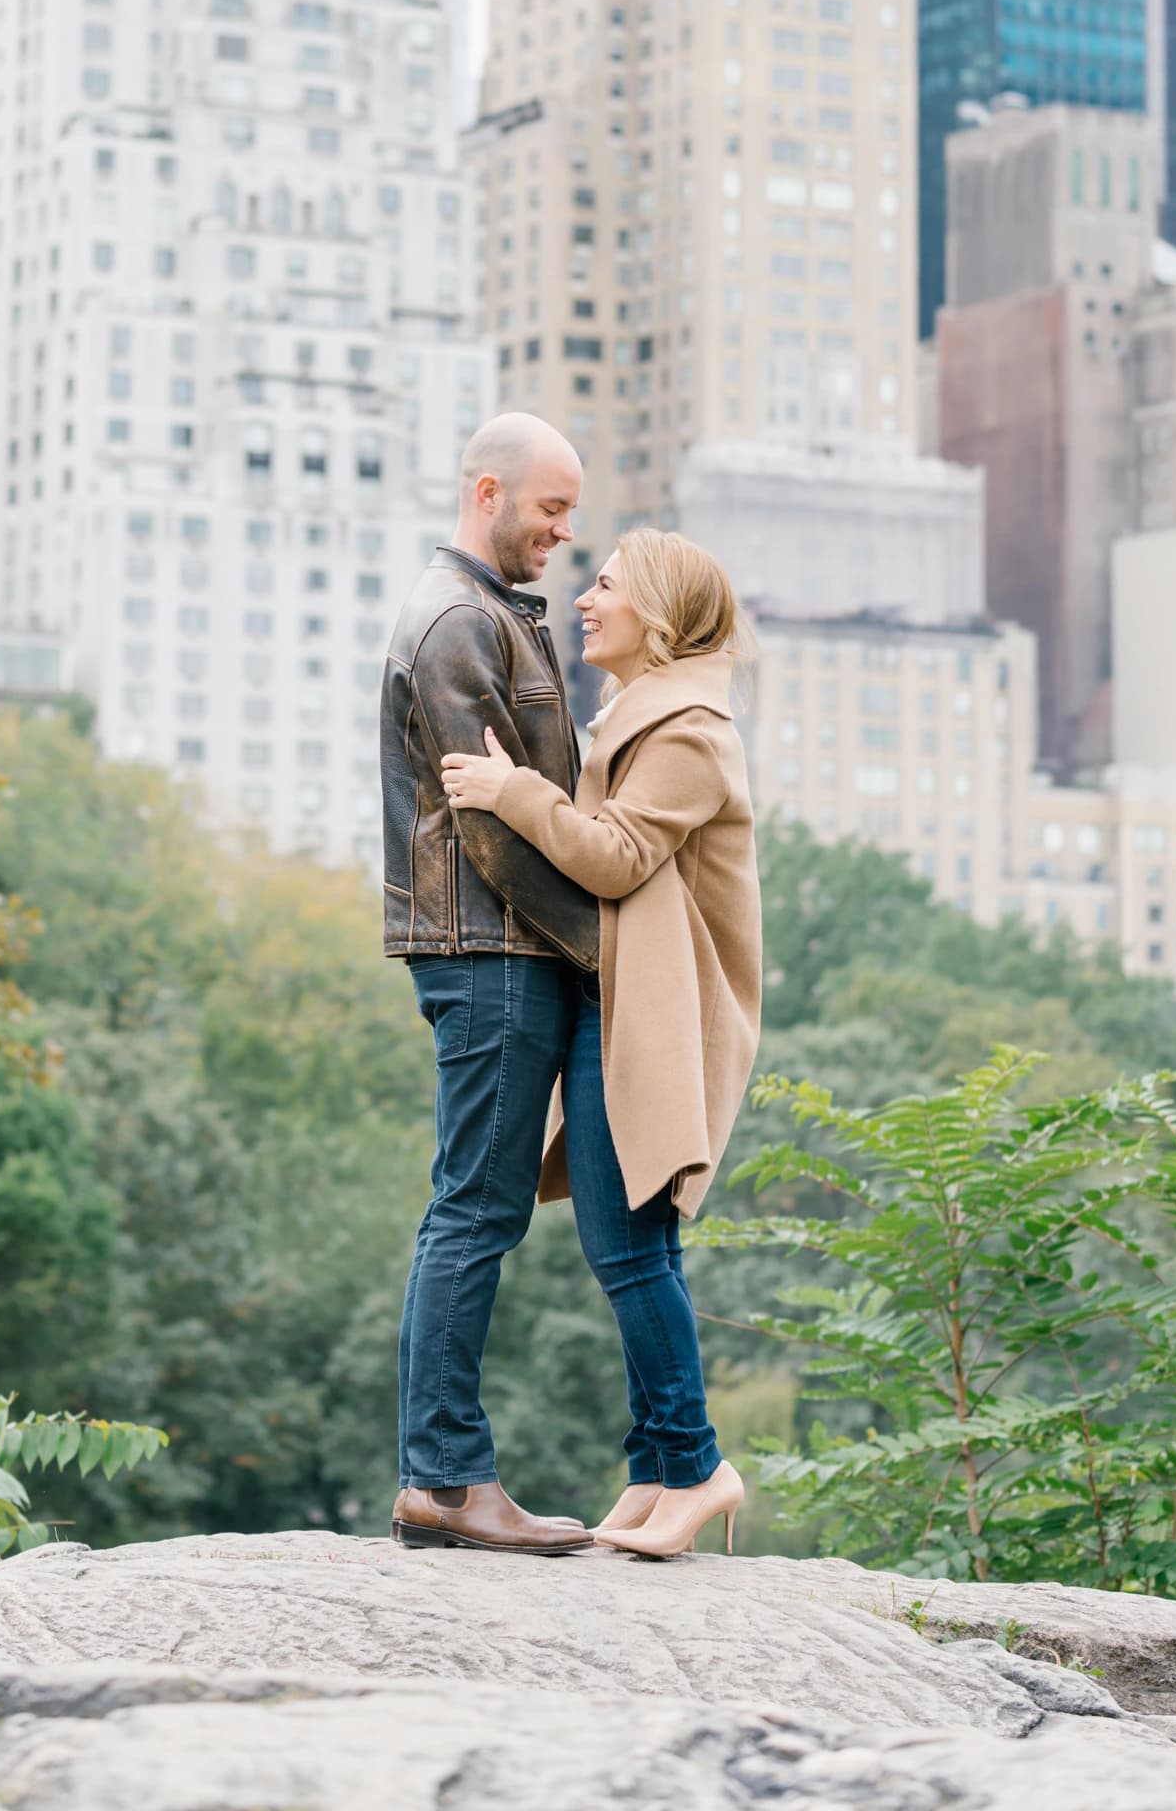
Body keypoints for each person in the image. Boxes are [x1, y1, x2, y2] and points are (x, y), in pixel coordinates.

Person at [440, 529, 761, 1560]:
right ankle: (658, 1466)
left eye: (608, 585)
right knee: (630, 1240)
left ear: (658, 614)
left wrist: (512, 795)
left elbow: (619, 859)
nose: (586, 599)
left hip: (654, 1009)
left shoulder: (690, 732)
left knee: (627, 1246)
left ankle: (701, 1465)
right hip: (612, 993)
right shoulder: (640, 715)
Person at [382, 411, 599, 1555]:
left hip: (505, 949)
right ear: (486, 492)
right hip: (493, 949)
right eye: (551, 509)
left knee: (479, 1205)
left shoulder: (495, 614)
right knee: (475, 1208)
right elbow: (494, 831)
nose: (566, 532)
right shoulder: (461, 622)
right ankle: (450, 1478)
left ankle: (444, 1473)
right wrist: (604, 947)